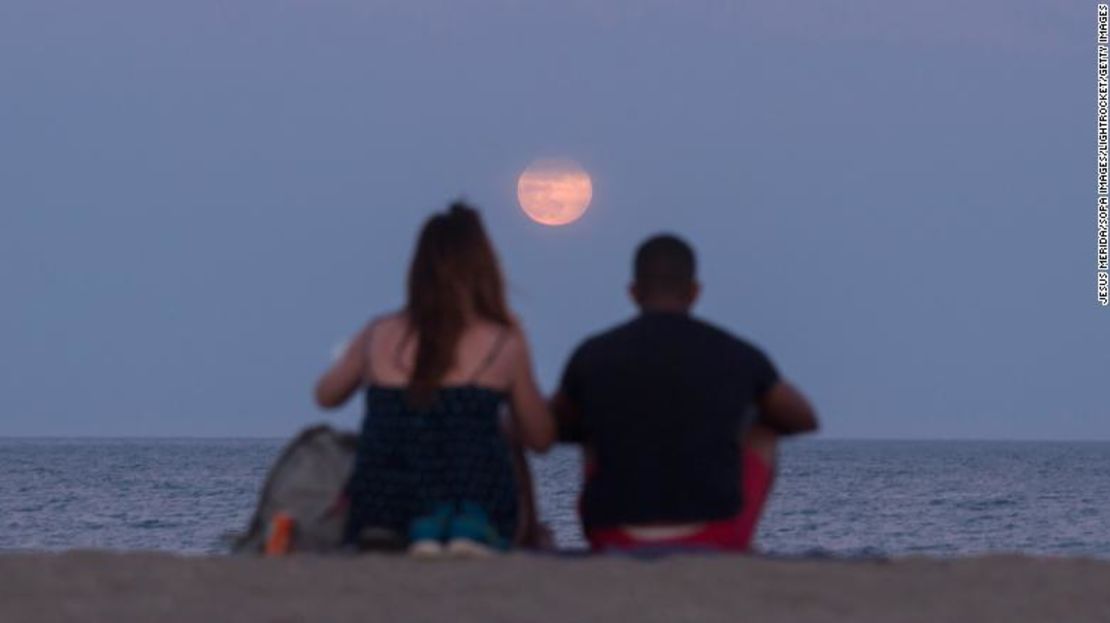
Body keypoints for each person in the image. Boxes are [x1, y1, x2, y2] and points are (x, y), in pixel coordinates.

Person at [314, 202, 555, 555]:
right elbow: (540, 437)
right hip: (474, 496)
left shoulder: (379, 332)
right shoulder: (502, 340)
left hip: (382, 502)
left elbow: (326, 395)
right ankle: (464, 527)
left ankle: (410, 526)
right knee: (502, 431)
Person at [551, 234, 818, 553]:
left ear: (633, 292)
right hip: (715, 532)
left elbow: (550, 425)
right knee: (763, 432)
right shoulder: (736, 354)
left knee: (592, 433)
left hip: (612, 532)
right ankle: (740, 543)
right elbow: (803, 418)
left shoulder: (593, 354)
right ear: (694, 292)